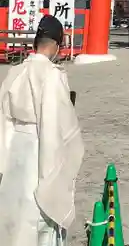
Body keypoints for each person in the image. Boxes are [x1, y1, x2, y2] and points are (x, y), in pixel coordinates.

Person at [0, 15, 84, 246]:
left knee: (14, 211)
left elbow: (3, 122)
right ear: (57, 45)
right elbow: (58, 124)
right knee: (39, 212)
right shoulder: (52, 76)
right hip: (40, 146)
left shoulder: (14, 73)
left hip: (15, 149)